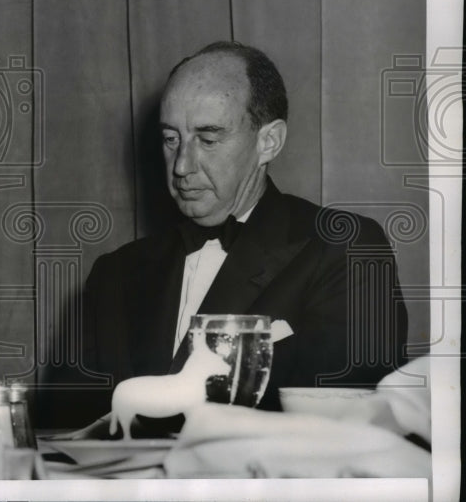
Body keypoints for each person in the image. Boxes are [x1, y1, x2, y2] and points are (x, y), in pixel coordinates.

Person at [49, 41, 408, 424]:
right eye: (171, 139)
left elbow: (343, 432)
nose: (182, 166)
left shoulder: (346, 249)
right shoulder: (114, 273)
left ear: (268, 141)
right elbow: (66, 431)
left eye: (208, 139)